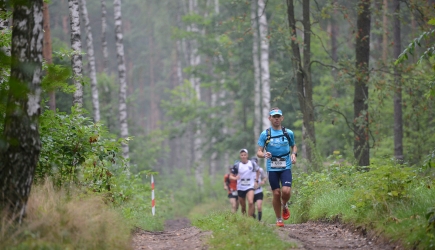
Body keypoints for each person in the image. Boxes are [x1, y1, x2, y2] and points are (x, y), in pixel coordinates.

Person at [257, 107, 297, 227]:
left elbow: (294, 146)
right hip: (272, 167)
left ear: (282, 118)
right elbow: (258, 152)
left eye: (278, 117)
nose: (276, 119)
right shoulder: (265, 134)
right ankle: (279, 219)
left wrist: (294, 154)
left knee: (286, 191)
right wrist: (264, 154)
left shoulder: (288, 133)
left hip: (285, 166)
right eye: (274, 117)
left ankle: (284, 204)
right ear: (270, 118)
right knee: (276, 193)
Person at [230, 149, 259, 217]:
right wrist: (235, 178)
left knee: (251, 202)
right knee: (243, 206)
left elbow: (258, 171)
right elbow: (231, 176)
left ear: (247, 155)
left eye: (244, 155)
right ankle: (244, 218)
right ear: (240, 156)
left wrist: (256, 181)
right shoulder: (237, 165)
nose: (243, 156)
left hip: (250, 186)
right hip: (241, 187)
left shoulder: (252, 163)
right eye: (242, 155)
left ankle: (249, 220)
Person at [251, 157, 267, 222]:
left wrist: (263, 181)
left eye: (255, 162)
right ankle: (254, 220)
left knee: (259, 206)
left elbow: (265, 177)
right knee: (252, 208)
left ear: (257, 163)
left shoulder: (260, 170)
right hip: (251, 191)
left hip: (259, 190)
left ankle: (259, 220)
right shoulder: (248, 170)